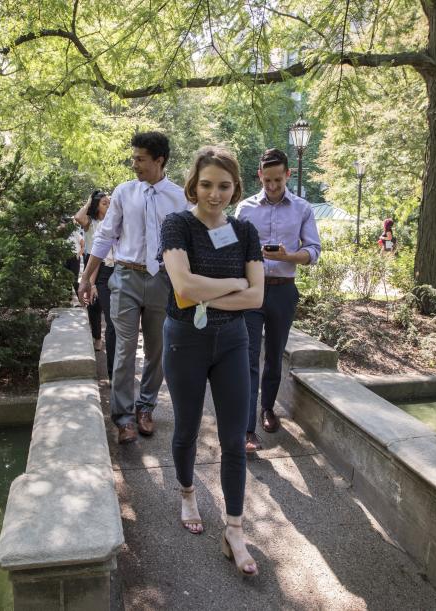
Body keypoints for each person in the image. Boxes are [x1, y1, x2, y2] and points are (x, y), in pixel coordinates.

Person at [160, 145, 264, 576]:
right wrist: (235, 280)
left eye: (223, 186)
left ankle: (234, 531)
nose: (214, 194)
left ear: (235, 188)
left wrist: (214, 287)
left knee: (234, 438)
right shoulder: (177, 225)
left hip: (233, 341)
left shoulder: (245, 232)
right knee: (185, 428)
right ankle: (187, 493)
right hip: (186, 338)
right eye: (206, 185)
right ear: (193, 185)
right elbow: (183, 289)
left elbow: (257, 296)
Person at [78, 132, 189, 444]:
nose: (134, 164)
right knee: (125, 349)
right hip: (126, 275)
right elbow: (104, 236)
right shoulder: (125, 192)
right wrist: (87, 277)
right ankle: (124, 418)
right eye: (134, 158)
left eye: (140, 158)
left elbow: (187, 243)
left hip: (163, 280)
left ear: (159, 160)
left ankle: (146, 407)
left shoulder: (179, 197)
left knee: (157, 349)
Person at [234, 148, 321, 453]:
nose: (271, 186)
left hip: (284, 289)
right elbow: (234, 248)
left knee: (274, 356)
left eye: (277, 180)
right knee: (247, 357)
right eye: (266, 180)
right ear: (259, 175)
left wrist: (287, 255)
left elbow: (312, 251)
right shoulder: (244, 209)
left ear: (288, 175)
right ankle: (246, 429)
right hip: (252, 289)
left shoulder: (303, 208)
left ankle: (267, 408)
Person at [75, 190, 115, 377]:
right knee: (94, 306)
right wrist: (90, 199)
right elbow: (78, 216)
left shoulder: (114, 221)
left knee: (104, 306)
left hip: (108, 262)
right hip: (94, 260)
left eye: (109, 202)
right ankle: (97, 337)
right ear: (97, 206)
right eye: (104, 203)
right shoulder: (91, 222)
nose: (108, 205)